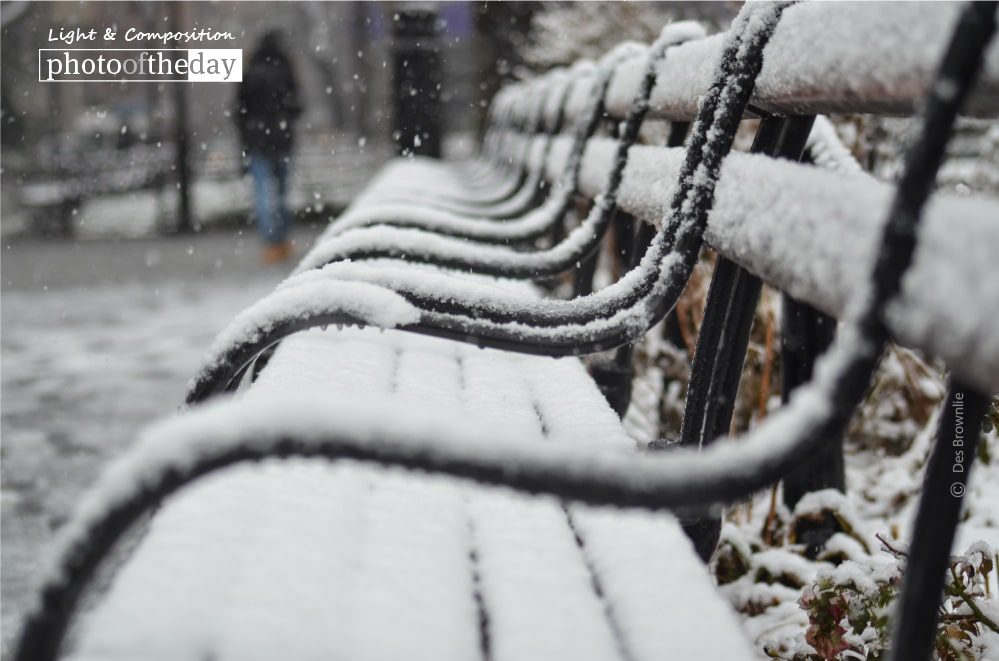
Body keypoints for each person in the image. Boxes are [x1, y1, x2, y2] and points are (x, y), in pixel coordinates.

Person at [235, 31, 302, 264]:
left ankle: (270, 242)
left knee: (262, 193)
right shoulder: (285, 71)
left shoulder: (250, 72)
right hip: (282, 139)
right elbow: (297, 106)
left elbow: (239, 111)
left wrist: (247, 138)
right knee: (282, 192)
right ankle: (282, 239)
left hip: (257, 140)